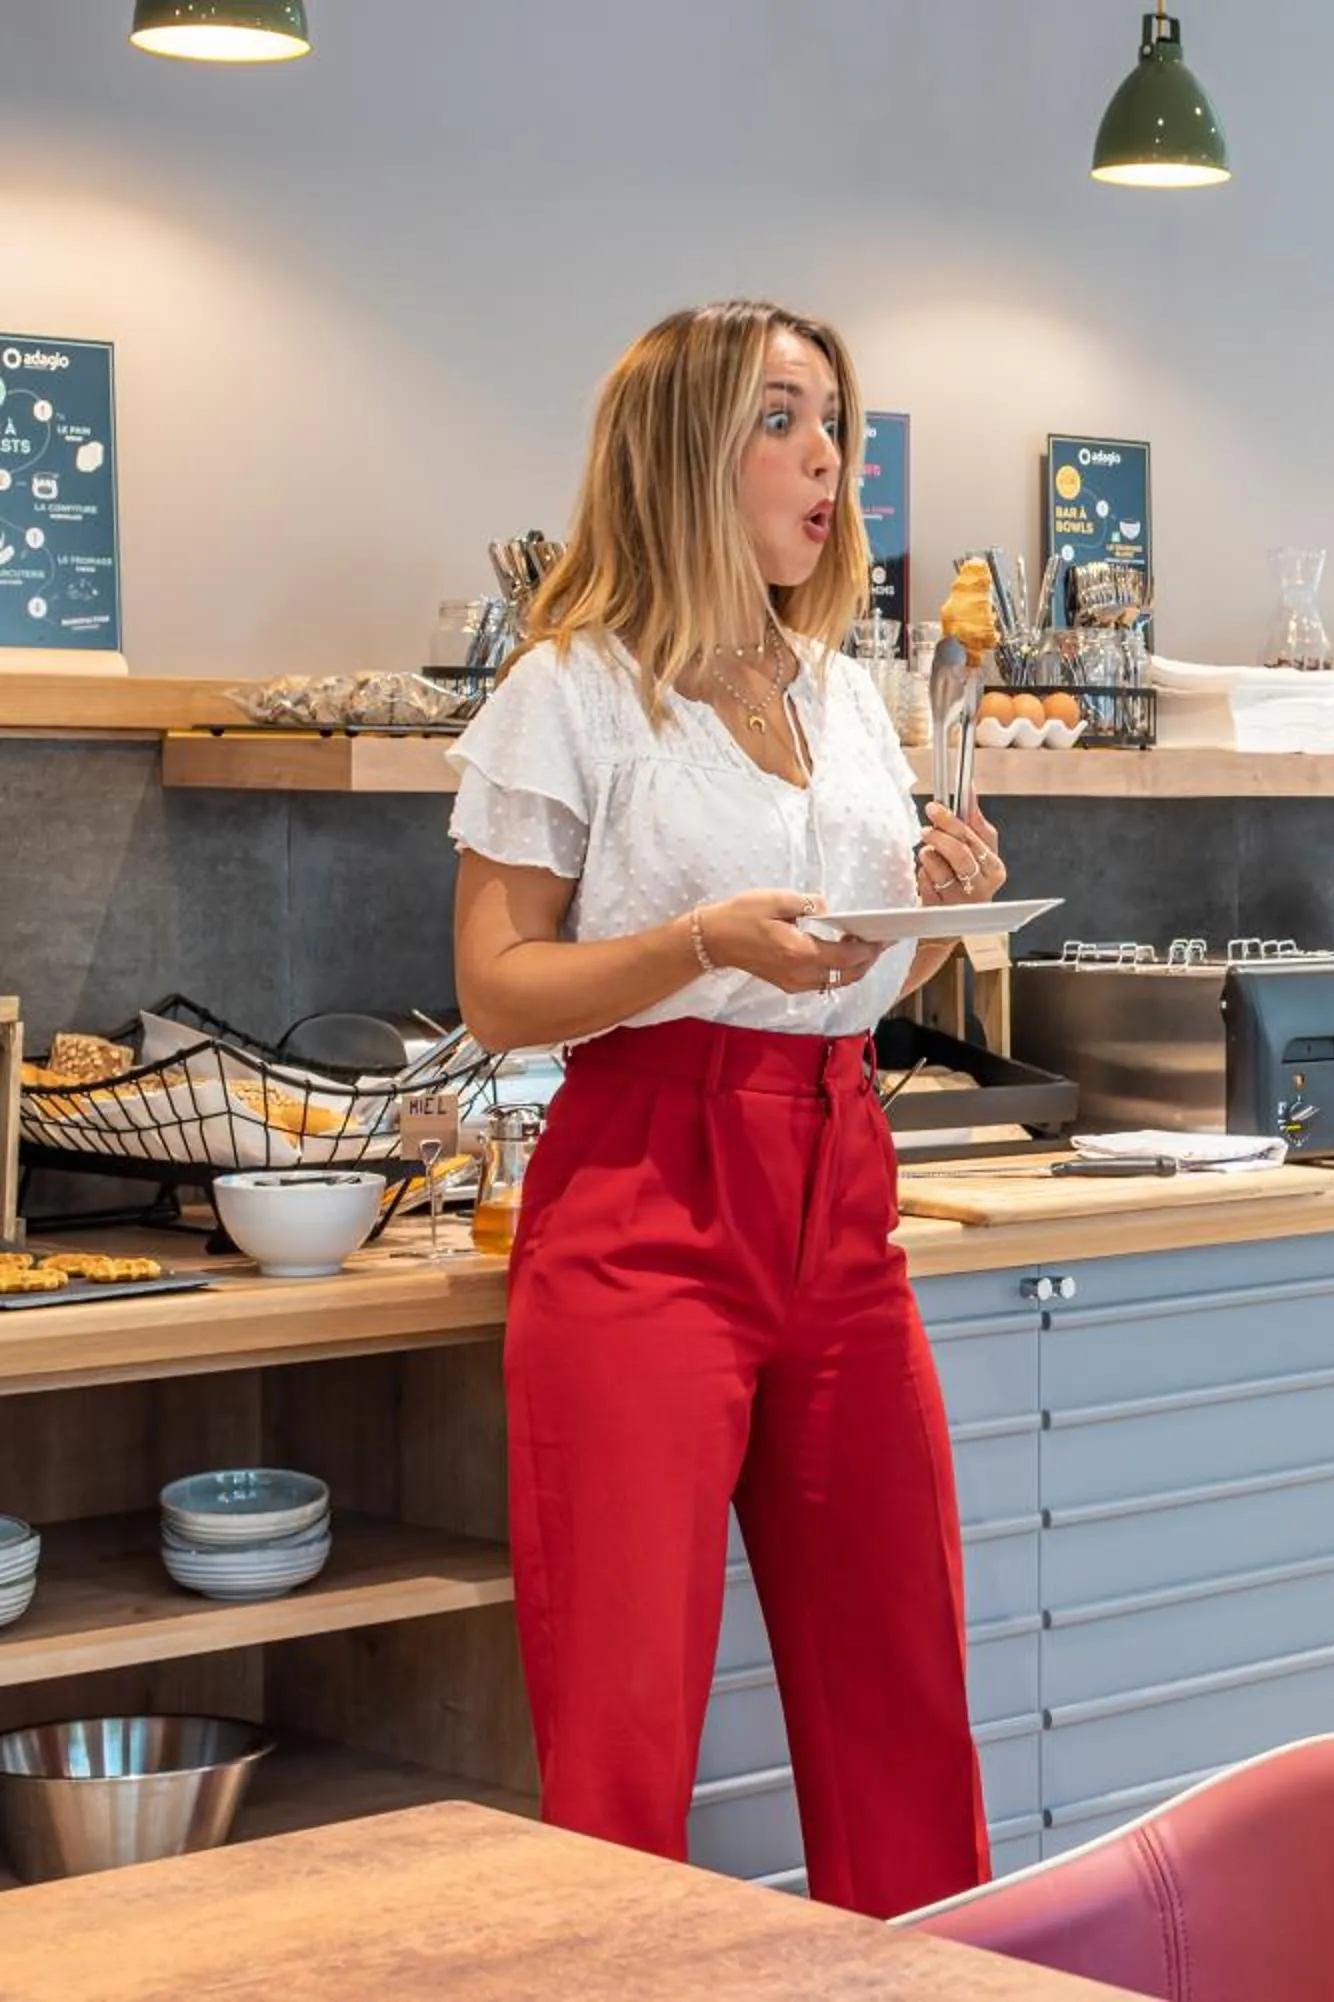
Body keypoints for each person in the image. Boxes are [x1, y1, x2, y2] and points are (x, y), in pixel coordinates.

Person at [446, 299, 1008, 1915]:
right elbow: (499, 986)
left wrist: (934, 909)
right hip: (644, 1195)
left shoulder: (840, 692)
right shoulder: (573, 690)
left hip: (840, 1180)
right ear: (682, 453)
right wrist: (694, 940)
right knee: (623, 1729)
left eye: (834, 419)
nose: (827, 456)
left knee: (901, 1681)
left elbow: (832, 978)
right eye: (780, 418)